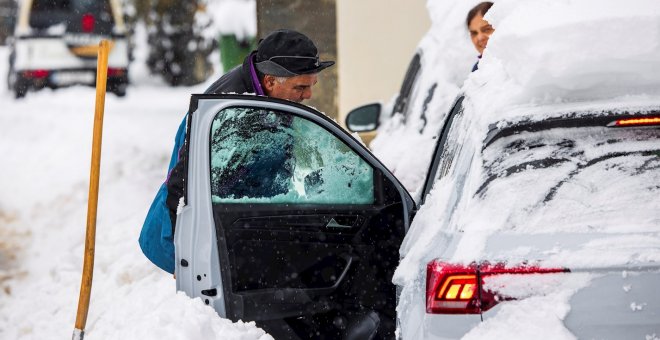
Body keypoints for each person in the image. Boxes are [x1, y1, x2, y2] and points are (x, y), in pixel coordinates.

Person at [139, 29, 335, 274]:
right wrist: (190, 260)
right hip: (185, 240)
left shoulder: (267, 93)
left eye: (311, 85)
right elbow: (185, 182)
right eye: (301, 87)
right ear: (271, 81)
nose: (309, 95)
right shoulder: (232, 115)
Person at [467, 2, 495, 71]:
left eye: (487, 29)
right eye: (474, 33)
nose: (480, 38)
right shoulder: (477, 70)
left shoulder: (518, 61)